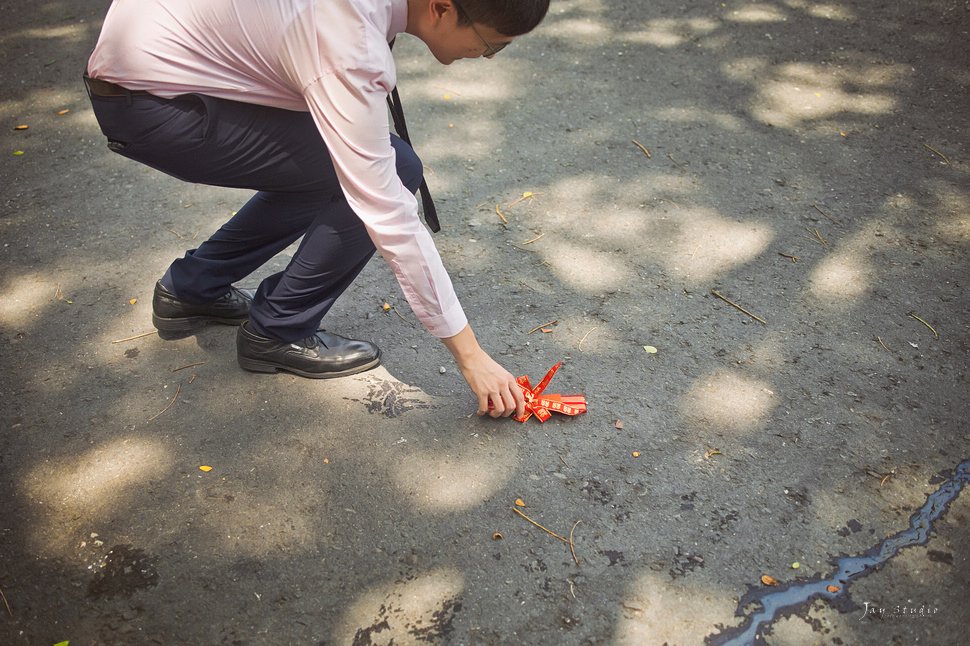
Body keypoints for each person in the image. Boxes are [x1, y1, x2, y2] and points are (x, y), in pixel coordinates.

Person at [84, 0, 550, 419]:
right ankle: (278, 331)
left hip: (156, 67)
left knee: (340, 160)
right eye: (494, 44)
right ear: (442, 9)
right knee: (392, 168)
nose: (488, 56)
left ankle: (192, 289)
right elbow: (387, 210)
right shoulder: (348, 40)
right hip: (155, 103)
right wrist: (472, 357)